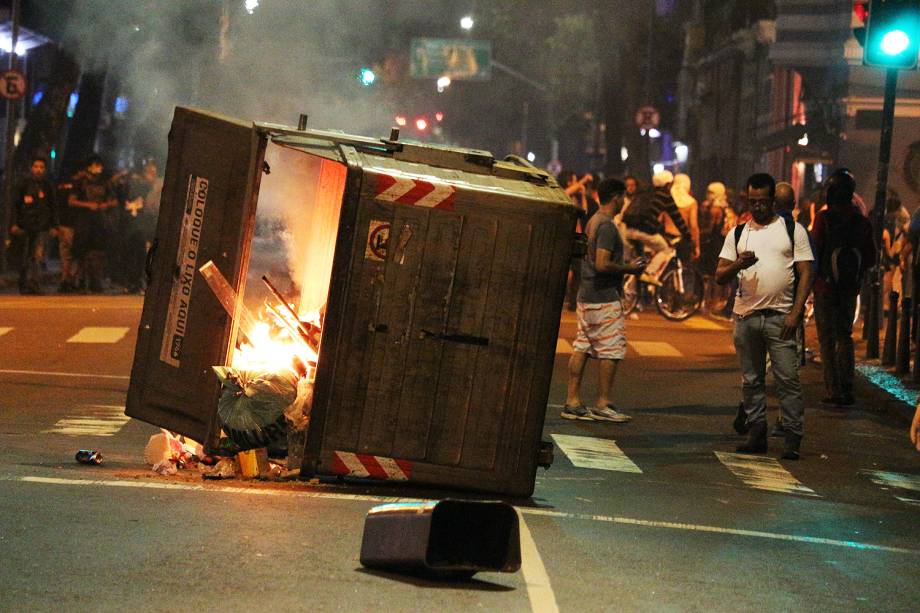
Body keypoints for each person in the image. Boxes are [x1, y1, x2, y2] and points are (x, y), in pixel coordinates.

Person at [716, 173, 813, 459]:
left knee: (787, 378)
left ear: (773, 201)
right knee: (751, 379)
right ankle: (756, 433)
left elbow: (806, 271)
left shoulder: (792, 229)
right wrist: (738, 264)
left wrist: (796, 312)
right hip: (746, 317)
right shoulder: (738, 233)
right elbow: (720, 274)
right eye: (752, 201)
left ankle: (793, 437)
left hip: (780, 317)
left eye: (762, 202)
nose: (757, 207)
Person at [563, 178, 647, 422]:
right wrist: (629, 268)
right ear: (616, 197)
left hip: (586, 294)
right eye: (623, 197)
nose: (624, 202)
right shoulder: (607, 226)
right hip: (603, 297)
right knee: (611, 350)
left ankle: (572, 401)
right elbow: (601, 263)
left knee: (583, 346)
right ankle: (603, 403)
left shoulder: (593, 220)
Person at [811, 169, 876, 407]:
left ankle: (833, 389)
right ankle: (848, 388)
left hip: (825, 288)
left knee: (826, 339)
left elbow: (814, 251)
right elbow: (870, 258)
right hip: (849, 289)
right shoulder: (862, 223)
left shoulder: (824, 219)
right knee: (845, 336)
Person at [620, 170, 692, 280]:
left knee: (639, 261)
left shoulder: (646, 193)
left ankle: (635, 290)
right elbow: (677, 219)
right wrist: (688, 237)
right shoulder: (665, 196)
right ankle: (649, 273)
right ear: (667, 184)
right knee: (665, 249)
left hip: (628, 230)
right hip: (643, 231)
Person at [9, 156, 58, 294]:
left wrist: (54, 226)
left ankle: (34, 284)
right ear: (31, 168)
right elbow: (16, 206)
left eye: (41, 167)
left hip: (41, 227)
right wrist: (14, 224)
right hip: (24, 226)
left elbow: (53, 206)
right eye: (36, 167)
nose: (38, 170)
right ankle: (23, 284)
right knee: (25, 257)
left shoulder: (48, 186)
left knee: (37, 256)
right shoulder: (23, 184)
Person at [69, 155, 117, 293]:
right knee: (81, 252)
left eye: (100, 165)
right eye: (95, 165)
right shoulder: (80, 182)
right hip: (84, 222)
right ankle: (80, 281)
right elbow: (71, 201)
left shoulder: (105, 182)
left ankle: (95, 281)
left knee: (97, 252)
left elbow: (114, 201)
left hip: (100, 222)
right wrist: (88, 205)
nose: (98, 168)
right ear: (89, 166)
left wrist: (104, 205)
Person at [113, 160, 159, 293]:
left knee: (141, 256)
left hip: (144, 227)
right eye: (149, 171)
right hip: (130, 226)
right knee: (131, 254)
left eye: (153, 172)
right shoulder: (133, 184)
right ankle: (130, 282)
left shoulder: (151, 186)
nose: (151, 175)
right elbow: (117, 188)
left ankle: (138, 282)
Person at [667, 173, 700, 260]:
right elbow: (693, 226)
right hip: (683, 239)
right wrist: (696, 246)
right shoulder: (691, 202)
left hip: (666, 238)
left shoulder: (667, 199)